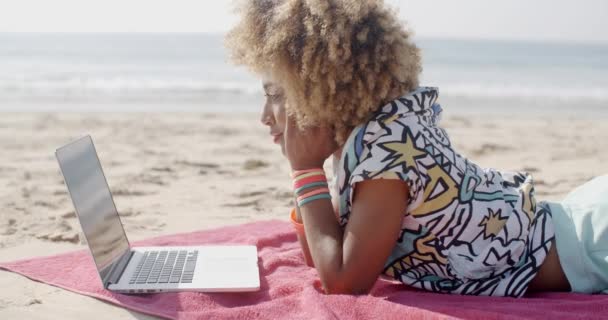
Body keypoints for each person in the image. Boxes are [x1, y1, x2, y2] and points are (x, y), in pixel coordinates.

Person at [225, 0, 608, 297]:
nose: (265, 115)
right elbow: (322, 255)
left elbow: (342, 281)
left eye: (275, 94)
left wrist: (305, 170)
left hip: (590, 246)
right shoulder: (373, 133)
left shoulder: (386, 152)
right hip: (572, 220)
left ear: (317, 88)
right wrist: (310, 172)